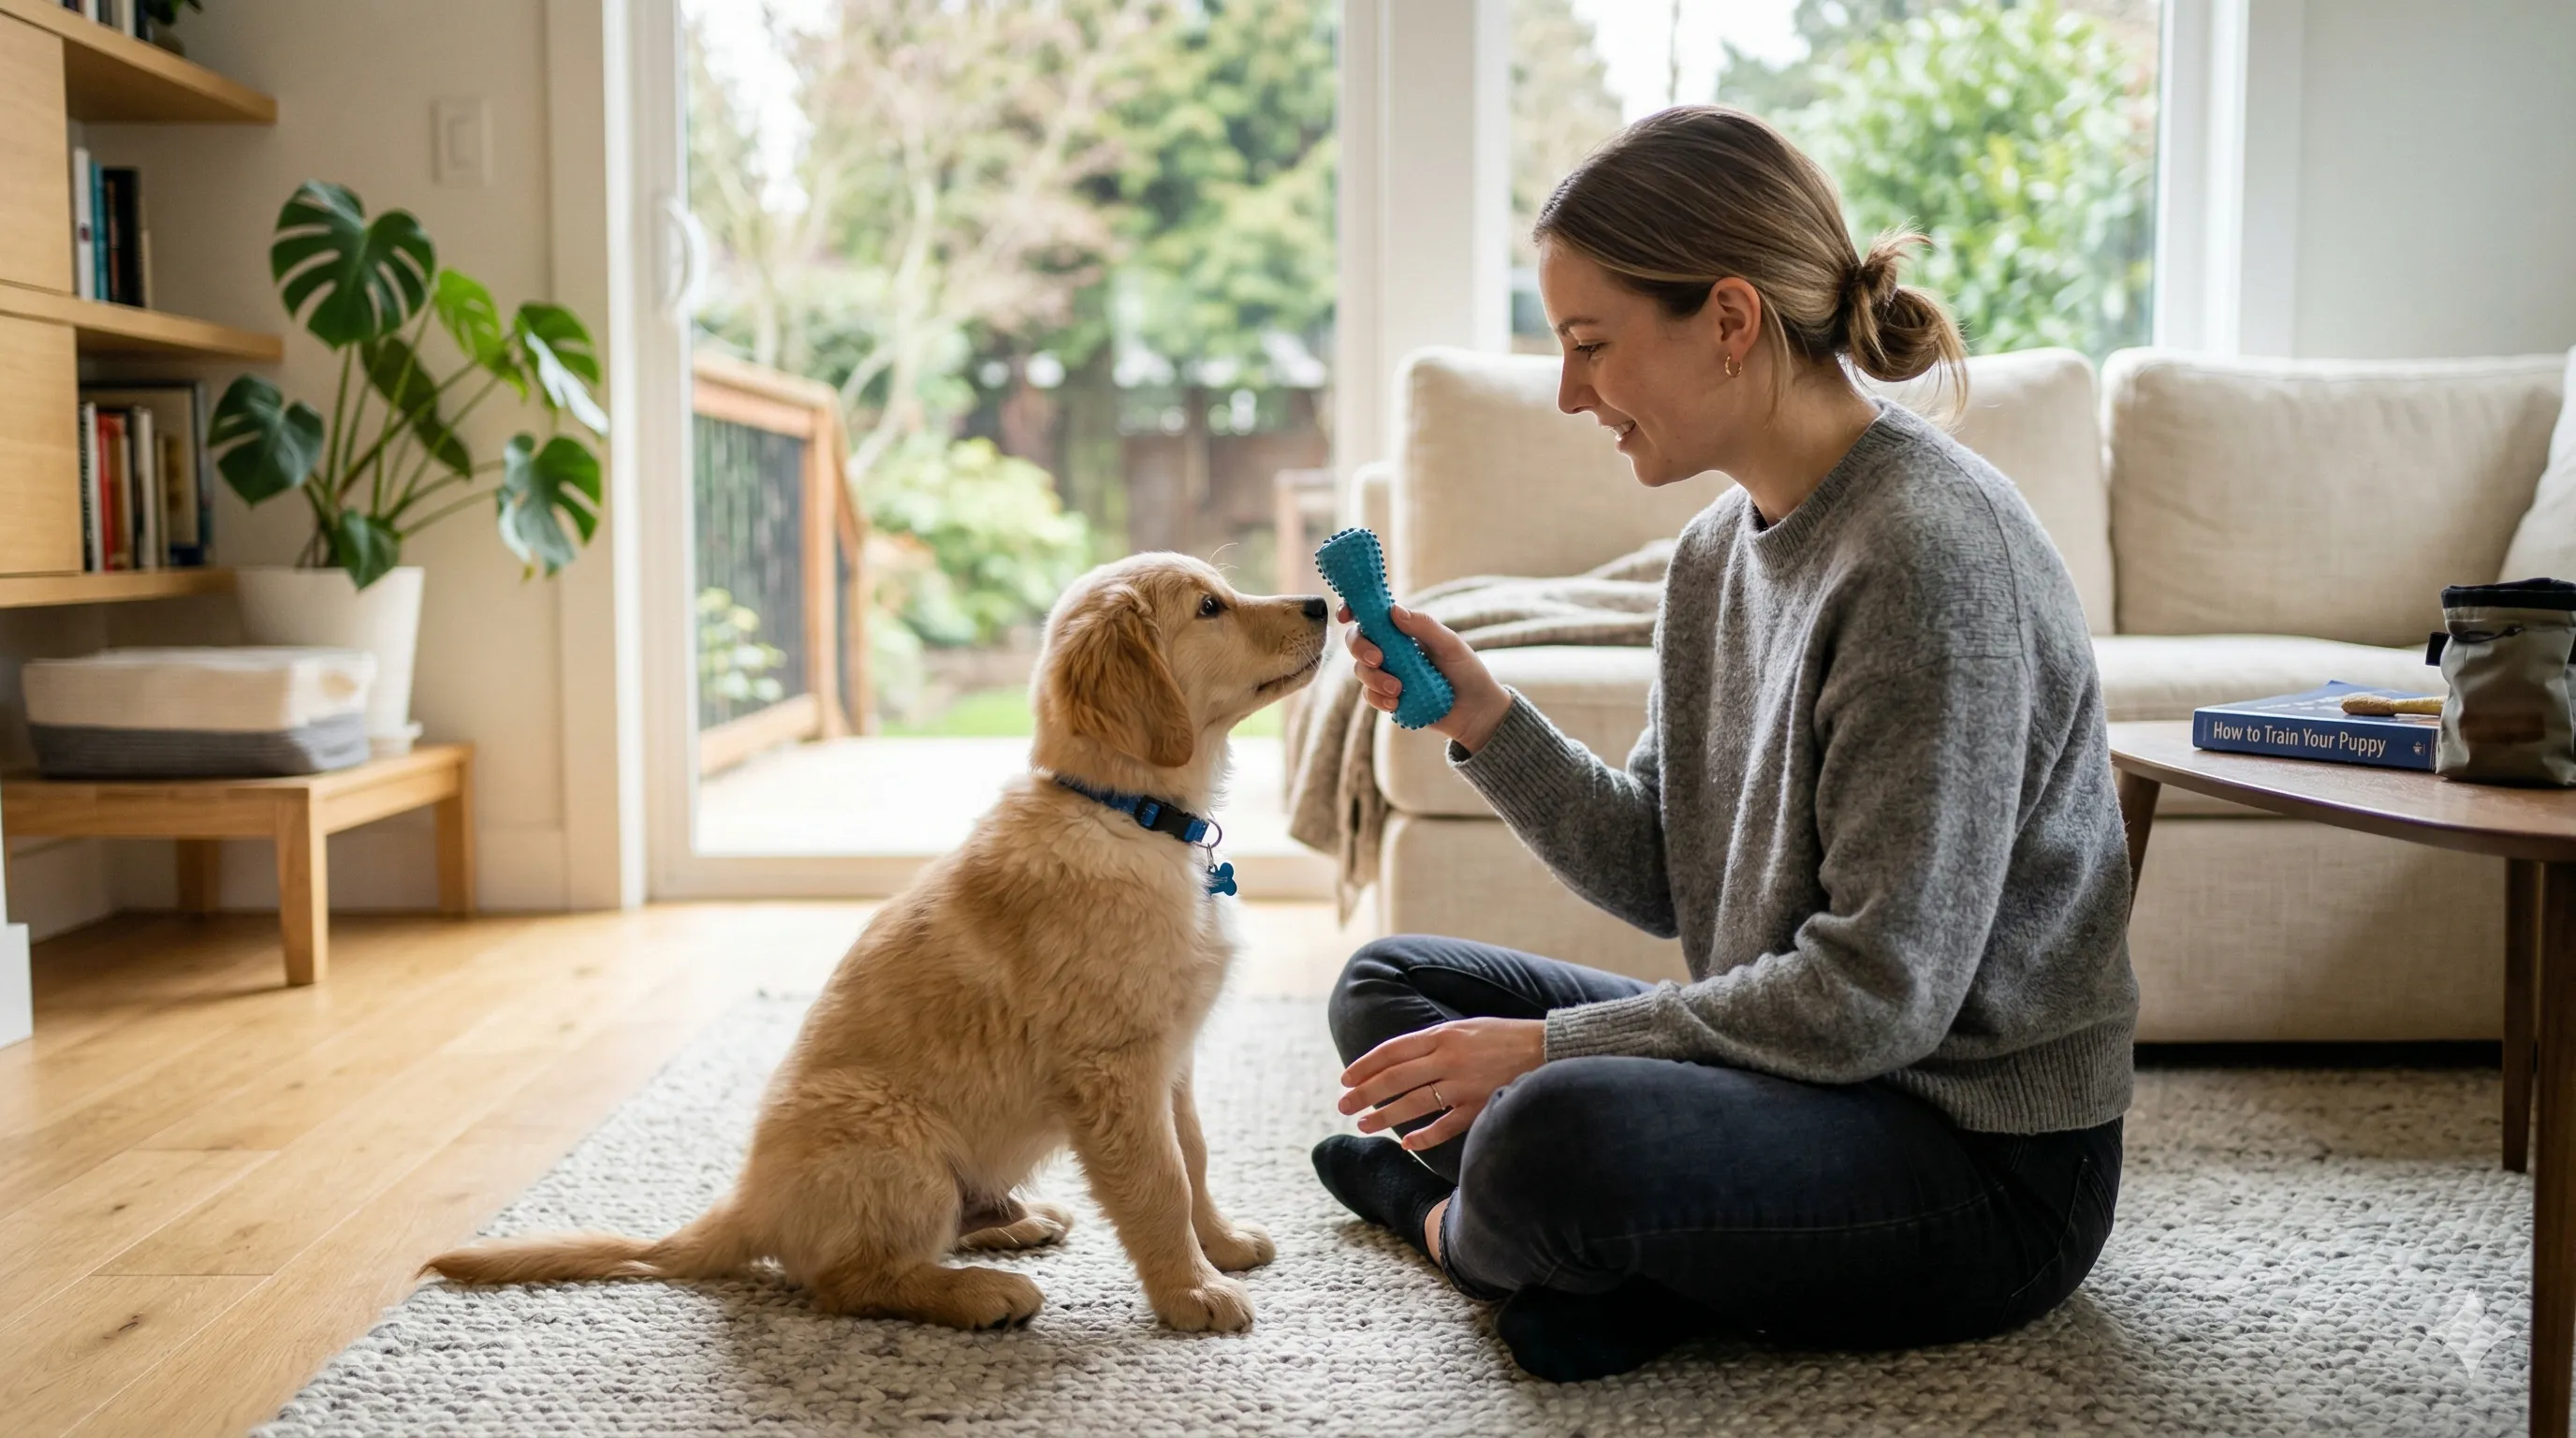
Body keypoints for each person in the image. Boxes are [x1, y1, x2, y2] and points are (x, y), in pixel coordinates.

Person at [1309, 105, 2138, 1383]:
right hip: (1795, 1073)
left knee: (1548, 1127)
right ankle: (1605, 1259)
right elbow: (1664, 869)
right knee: (1391, 989)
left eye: (1591, 344)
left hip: (1974, 1159)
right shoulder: (1715, 553)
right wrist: (1485, 718)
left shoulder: (1928, 555)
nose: (1572, 392)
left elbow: (1877, 998)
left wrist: (1549, 1054)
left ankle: (1458, 1225)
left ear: (1733, 321)